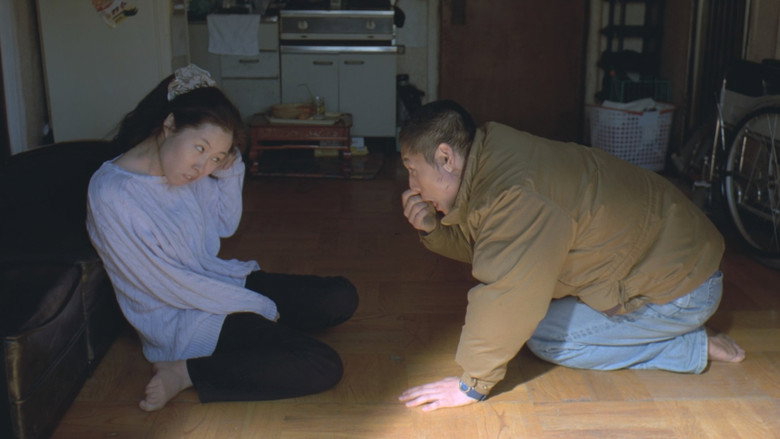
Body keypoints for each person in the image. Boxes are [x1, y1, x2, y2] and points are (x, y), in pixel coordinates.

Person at [397, 100, 745, 412]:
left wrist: (472, 383)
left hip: (683, 290)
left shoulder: (514, 194)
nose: (413, 185)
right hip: (676, 260)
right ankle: (664, 326)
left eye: (413, 170)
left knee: (547, 339)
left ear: (446, 157)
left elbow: (508, 292)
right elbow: (495, 247)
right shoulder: (497, 158)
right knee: (538, 314)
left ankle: (689, 346)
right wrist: (433, 230)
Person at [86, 65, 358, 411]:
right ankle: (184, 372)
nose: (202, 167)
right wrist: (256, 304)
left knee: (339, 296)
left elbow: (223, 226)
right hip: (181, 316)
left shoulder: (183, 168)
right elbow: (167, 284)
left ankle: (260, 336)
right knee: (321, 364)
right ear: (169, 125)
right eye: (199, 148)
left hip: (216, 283)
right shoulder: (113, 193)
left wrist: (229, 167)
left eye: (215, 157)